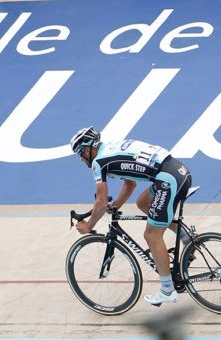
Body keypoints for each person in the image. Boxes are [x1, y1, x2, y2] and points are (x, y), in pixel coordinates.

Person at [70, 127, 193, 307]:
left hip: (168, 180)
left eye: (81, 153)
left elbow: (101, 201)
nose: (81, 159)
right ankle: (186, 237)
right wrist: (115, 207)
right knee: (143, 203)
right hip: (178, 172)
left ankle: (167, 290)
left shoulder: (99, 162)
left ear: (89, 148)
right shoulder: (111, 149)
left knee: (151, 235)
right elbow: (130, 184)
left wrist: (88, 226)